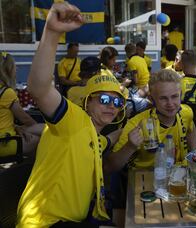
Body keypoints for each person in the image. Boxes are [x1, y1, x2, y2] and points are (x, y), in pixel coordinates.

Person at [16, 3, 125, 227]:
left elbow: (107, 140)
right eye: (104, 99)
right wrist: (53, 33)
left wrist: (129, 127)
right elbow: (40, 89)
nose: (111, 106)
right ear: (87, 102)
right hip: (44, 222)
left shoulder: (94, 137)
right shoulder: (75, 120)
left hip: (76, 220)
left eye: (116, 101)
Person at [105, 69, 196, 227]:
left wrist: (193, 153)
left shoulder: (186, 112)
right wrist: (130, 146)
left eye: (175, 96)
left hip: (179, 179)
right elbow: (109, 166)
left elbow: (191, 129)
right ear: (152, 98)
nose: (170, 104)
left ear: (181, 94)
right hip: (144, 183)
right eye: (163, 98)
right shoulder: (137, 123)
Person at [0, 52, 43, 156]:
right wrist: (38, 130)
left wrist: (17, 127)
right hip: (5, 143)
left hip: (4, 139)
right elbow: (25, 119)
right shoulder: (6, 92)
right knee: (45, 136)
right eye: (15, 66)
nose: (17, 68)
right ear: (8, 70)